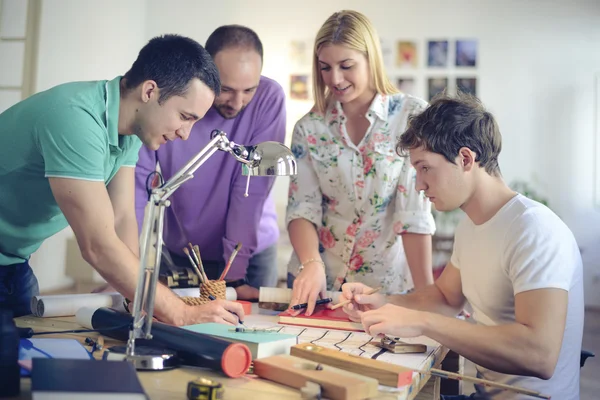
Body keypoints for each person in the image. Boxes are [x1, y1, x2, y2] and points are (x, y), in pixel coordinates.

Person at [340, 92, 584, 399]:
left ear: (465, 159)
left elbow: (539, 354)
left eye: (425, 167)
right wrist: (383, 301)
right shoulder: (472, 226)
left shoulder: (534, 229)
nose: (418, 184)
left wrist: (421, 322)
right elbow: (446, 297)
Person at [0, 34, 245, 325]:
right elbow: (97, 244)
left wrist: (129, 289)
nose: (185, 133)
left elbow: (122, 217)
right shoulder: (75, 119)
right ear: (150, 91)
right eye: (184, 116)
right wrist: (180, 311)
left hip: (13, 263)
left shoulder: (128, 130)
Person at [286, 10, 435, 316]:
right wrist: (311, 263)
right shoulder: (309, 127)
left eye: (347, 66)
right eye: (325, 68)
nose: (335, 79)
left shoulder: (412, 117)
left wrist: (427, 298)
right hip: (318, 283)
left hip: (385, 289)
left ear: (371, 59)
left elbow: (413, 216)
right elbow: (302, 207)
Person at [134, 25, 285, 301]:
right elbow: (136, 184)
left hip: (250, 254)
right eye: (226, 89)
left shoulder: (269, 98)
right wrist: (129, 267)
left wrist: (234, 274)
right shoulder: (174, 98)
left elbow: (250, 190)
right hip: (187, 253)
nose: (238, 103)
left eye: (248, 90)